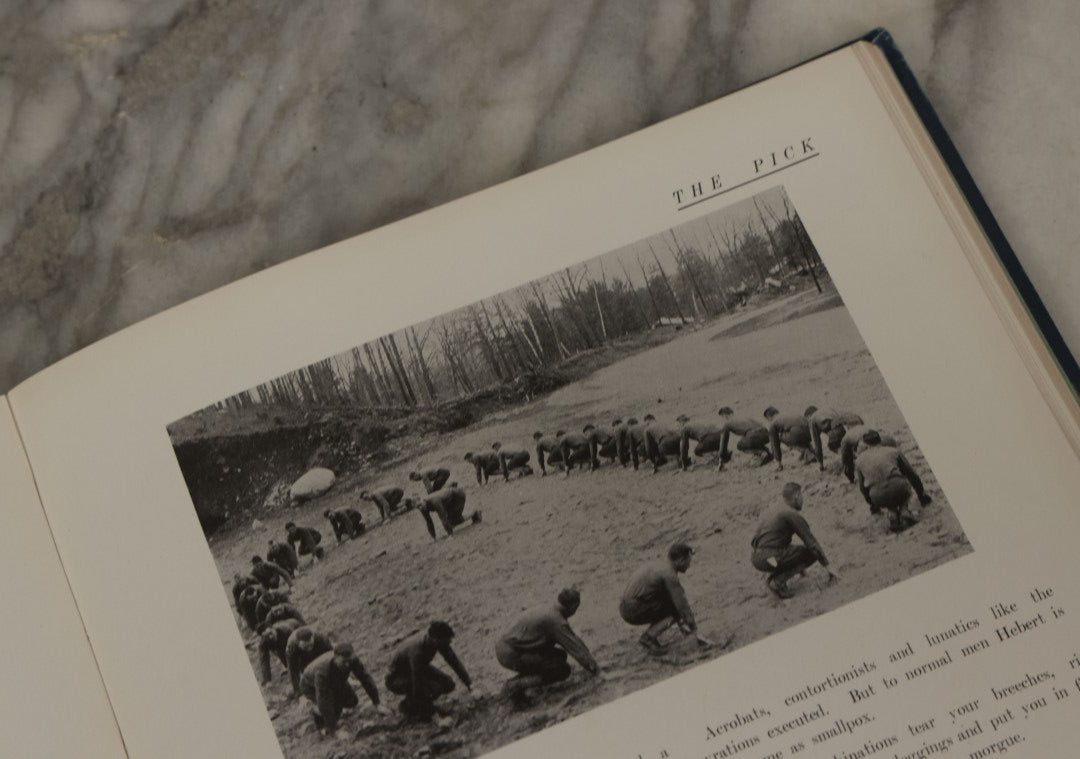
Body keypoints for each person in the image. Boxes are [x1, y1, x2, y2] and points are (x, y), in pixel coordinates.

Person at [750, 482, 839, 599]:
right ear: (796, 496)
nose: (803, 500)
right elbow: (812, 544)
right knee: (811, 553)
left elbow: (756, 541)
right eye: (802, 495)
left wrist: (800, 570)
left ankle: (774, 579)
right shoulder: (791, 513)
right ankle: (777, 582)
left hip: (758, 559)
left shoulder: (774, 509)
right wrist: (828, 567)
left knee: (788, 551)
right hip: (770, 558)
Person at [496, 589, 600, 687]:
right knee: (561, 669)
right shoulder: (556, 621)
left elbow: (573, 639)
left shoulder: (551, 609)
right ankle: (515, 685)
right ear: (573, 607)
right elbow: (574, 648)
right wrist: (597, 671)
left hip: (509, 648)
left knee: (559, 655)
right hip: (511, 654)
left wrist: (592, 661)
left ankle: (524, 680)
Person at [619, 542, 711, 652]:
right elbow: (682, 606)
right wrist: (694, 630)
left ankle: (656, 636)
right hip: (632, 609)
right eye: (688, 561)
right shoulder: (669, 574)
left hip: (629, 606)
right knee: (676, 610)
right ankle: (648, 638)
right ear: (681, 560)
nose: (689, 565)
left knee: (671, 604)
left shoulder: (661, 565)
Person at [385, 621, 472, 719]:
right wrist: (434, 715)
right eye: (446, 640)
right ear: (435, 639)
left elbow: (453, 661)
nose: (449, 643)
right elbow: (418, 685)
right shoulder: (417, 652)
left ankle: (416, 703)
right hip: (396, 679)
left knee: (448, 684)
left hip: (416, 669)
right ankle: (409, 707)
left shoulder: (436, 642)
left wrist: (470, 684)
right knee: (433, 688)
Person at [855, 430, 932, 532]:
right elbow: (911, 474)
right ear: (880, 440)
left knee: (883, 491)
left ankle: (892, 514)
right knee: (901, 484)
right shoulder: (893, 451)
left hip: (878, 496)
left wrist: (872, 505)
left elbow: (862, 488)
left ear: (865, 444)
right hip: (899, 489)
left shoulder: (859, 460)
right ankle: (904, 510)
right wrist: (921, 495)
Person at [300, 643, 384, 733]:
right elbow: (323, 698)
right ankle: (314, 709)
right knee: (329, 706)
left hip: (335, 679)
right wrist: (334, 729)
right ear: (335, 658)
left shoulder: (353, 660)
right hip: (310, 686)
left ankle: (333, 712)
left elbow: (365, 678)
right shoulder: (322, 671)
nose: (347, 665)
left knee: (352, 701)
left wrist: (377, 704)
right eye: (344, 662)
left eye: (349, 661)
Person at [408, 484, 481, 540]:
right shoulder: (422, 508)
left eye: (420, 505)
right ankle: (474, 514)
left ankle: (475, 513)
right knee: (451, 522)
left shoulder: (435, 501)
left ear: (422, 500)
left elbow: (443, 517)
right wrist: (434, 538)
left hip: (457, 495)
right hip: (448, 501)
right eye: (418, 507)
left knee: (453, 521)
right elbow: (429, 522)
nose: (421, 507)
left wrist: (450, 535)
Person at [805, 406, 864, 471]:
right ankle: (856, 456)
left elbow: (817, 444)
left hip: (836, 428)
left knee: (833, 446)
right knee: (849, 444)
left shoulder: (812, 419)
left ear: (809, 416)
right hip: (845, 424)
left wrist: (821, 464)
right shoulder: (826, 410)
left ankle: (852, 459)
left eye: (807, 419)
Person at [286, 626, 334, 696]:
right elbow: (293, 671)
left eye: (311, 645)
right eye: (306, 647)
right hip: (302, 657)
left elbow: (331, 654)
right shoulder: (291, 647)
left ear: (313, 638)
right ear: (298, 644)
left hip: (318, 649)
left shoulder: (321, 637)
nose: (309, 649)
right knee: (309, 675)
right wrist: (298, 691)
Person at [763, 407, 813, 471]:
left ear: (769, 417)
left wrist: (778, 463)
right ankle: (811, 451)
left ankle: (806, 452)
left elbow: (774, 444)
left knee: (779, 436)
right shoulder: (786, 414)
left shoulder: (773, 422)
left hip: (798, 434)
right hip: (810, 433)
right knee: (793, 431)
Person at [258, 617, 303, 685]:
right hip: (281, 642)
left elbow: (297, 645)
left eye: (271, 633)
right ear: (262, 637)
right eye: (266, 636)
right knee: (280, 651)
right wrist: (268, 680)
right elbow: (264, 660)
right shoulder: (263, 643)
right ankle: (288, 666)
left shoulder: (285, 630)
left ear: (273, 628)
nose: (270, 637)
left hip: (296, 626)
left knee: (296, 653)